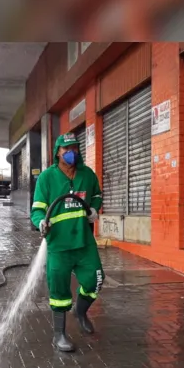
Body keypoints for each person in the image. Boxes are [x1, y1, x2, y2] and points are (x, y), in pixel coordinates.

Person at [30, 132, 104, 352]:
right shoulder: (47, 178)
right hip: (58, 245)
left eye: (74, 148)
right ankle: (59, 334)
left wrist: (94, 209)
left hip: (84, 242)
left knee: (95, 280)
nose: (71, 153)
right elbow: (37, 210)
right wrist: (41, 223)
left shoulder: (87, 174)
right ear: (58, 152)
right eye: (66, 149)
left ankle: (80, 312)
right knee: (60, 290)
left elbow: (97, 195)